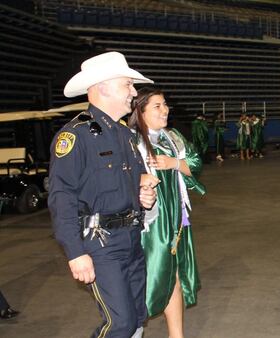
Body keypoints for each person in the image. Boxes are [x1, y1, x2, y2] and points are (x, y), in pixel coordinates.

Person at [48, 51, 158, 338]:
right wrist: (75, 252)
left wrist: (142, 194)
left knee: (136, 318)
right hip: (100, 244)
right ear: (102, 87)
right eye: (127, 85)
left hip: (131, 237)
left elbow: (127, 181)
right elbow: (63, 196)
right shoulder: (75, 136)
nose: (134, 93)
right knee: (119, 323)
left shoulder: (124, 135)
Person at [129, 86, 205, 338]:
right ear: (140, 111)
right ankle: (133, 331)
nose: (165, 110)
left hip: (175, 216)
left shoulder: (172, 137)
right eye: (157, 106)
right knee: (147, 276)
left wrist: (174, 163)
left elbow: (196, 163)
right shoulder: (128, 140)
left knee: (173, 272)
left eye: (165, 105)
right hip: (147, 221)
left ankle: (176, 335)